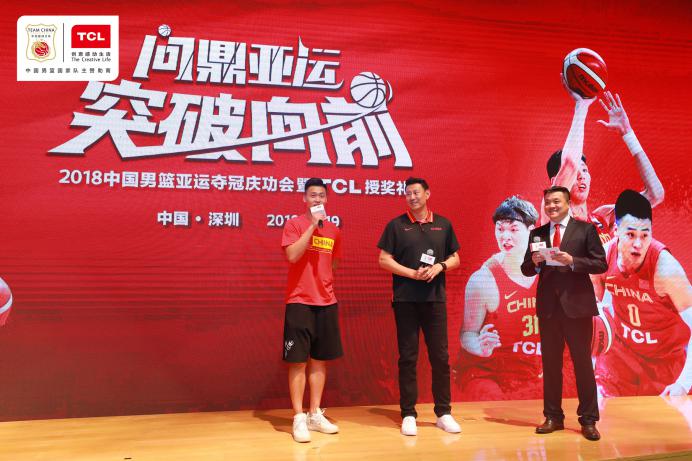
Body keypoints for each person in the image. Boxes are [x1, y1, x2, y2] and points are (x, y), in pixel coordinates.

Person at [521, 185, 607, 441]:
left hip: (577, 308)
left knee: (583, 364)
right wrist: (534, 262)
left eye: (556, 201)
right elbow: (525, 269)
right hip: (549, 308)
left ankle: (588, 420)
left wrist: (573, 262)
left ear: (568, 203)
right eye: (548, 202)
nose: (551, 206)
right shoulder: (537, 233)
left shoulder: (585, 229)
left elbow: (600, 263)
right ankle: (553, 416)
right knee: (551, 365)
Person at [377, 177, 461, 436]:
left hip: (435, 300)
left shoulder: (443, 225)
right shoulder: (396, 226)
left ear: (427, 194)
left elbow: (455, 258)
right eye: (408, 193)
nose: (412, 197)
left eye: (416, 192)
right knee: (408, 358)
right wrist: (412, 274)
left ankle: (443, 412)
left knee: (440, 357)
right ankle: (408, 413)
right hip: (405, 300)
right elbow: (384, 260)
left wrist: (440, 267)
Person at [592, 190, 692, 397]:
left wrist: (683, 384)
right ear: (616, 230)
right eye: (630, 235)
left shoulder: (665, 269)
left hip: (664, 364)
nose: (638, 244)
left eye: (645, 235)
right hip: (620, 361)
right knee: (599, 409)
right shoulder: (601, 260)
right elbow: (593, 317)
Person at [542, 81, 664, 244]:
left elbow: (655, 194)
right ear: (555, 182)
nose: (581, 176)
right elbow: (570, 163)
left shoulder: (603, 217)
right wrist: (581, 106)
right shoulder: (552, 214)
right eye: (575, 173)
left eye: (585, 170)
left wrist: (627, 133)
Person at [459, 196, 543, 400]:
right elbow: (467, 333)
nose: (505, 236)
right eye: (500, 229)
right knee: (497, 405)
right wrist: (480, 347)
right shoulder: (483, 280)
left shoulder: (549, 270)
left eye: (513, 229)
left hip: (530, 375)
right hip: (488, 375)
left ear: (531, 231)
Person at [281, 178, 343, 443]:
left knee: (319, 360)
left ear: (327, 199)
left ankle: (314, 413)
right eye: (312, 195)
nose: (317, 199)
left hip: (326, 302)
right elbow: (292, 256)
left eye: (321, 195)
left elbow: (334, 263)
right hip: (299, 301)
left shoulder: (334, 231)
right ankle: (298, 417)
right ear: (304, 199)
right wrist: (312, 228)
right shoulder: (294, 224)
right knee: (297, 361)